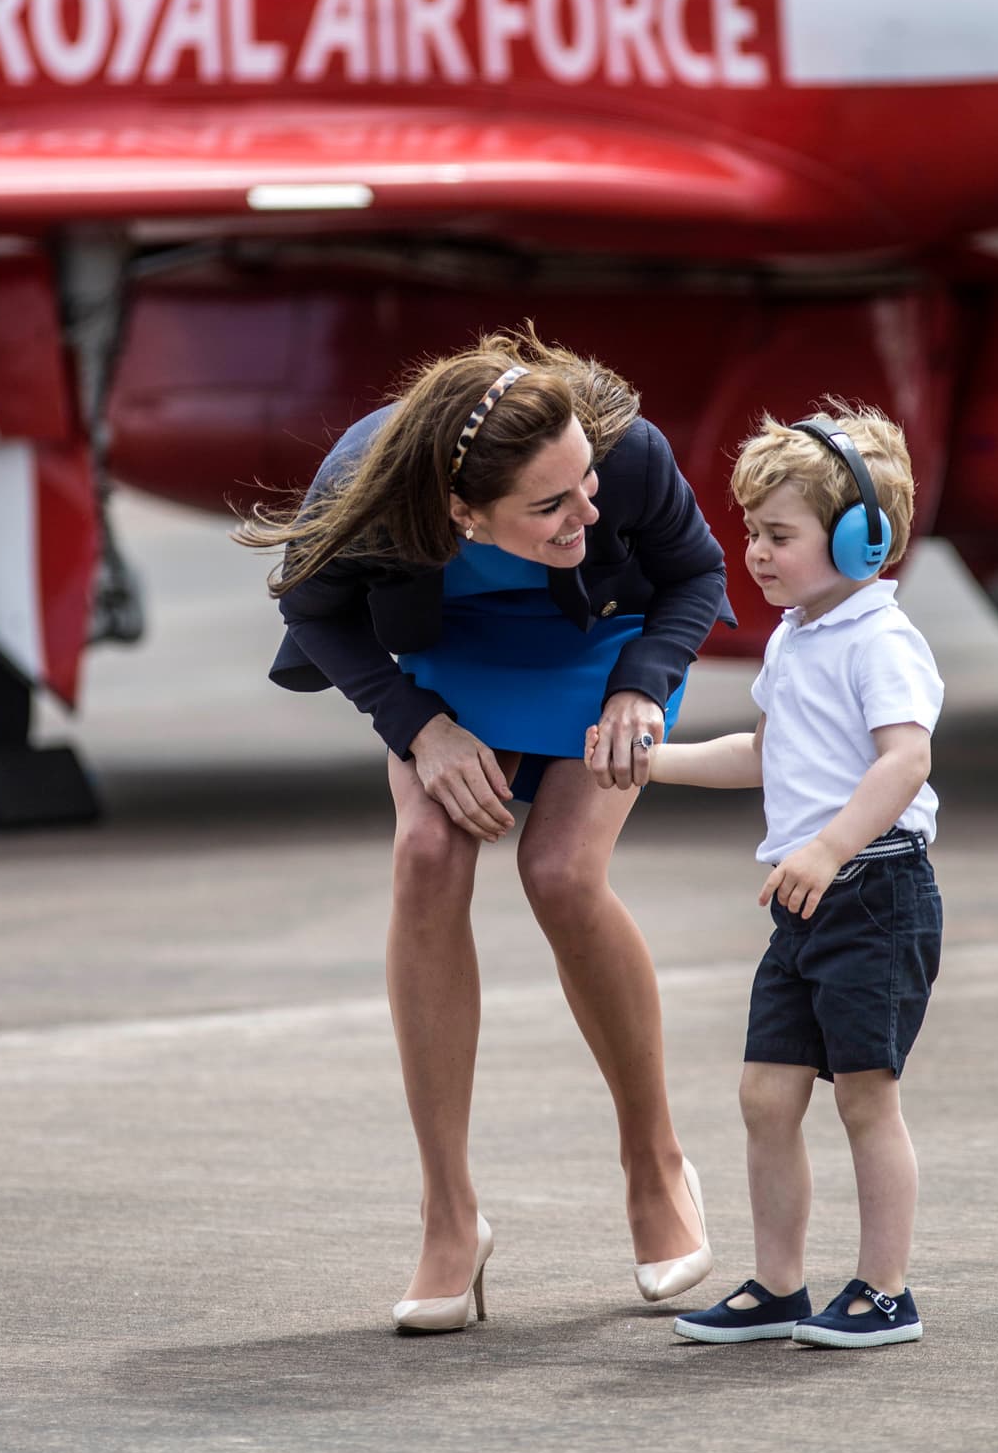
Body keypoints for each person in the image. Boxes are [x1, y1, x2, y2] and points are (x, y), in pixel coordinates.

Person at [237, 326, 734, 1333]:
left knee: (558, 871)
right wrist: (417, 728)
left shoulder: (620, 451)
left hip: (601, 654)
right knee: (424, 855)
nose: (585, 511)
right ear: (459, 511)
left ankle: (654, 1162)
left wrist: (644, 689)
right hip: (449, 664)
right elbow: (312, 607)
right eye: (549, 506)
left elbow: (695, 574)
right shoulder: (372, 484)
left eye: (584, 484)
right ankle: (447, 1212)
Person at [589, 402, 942, 1349]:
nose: (756, 552)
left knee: (867, 1095)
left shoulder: (879, 640)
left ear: (863, 537)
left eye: (779, 534)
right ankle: (781, 1285)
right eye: (752, 532)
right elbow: (768, 752)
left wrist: (827, 848)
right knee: (765, 1094)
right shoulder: (796, 639)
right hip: (804, 900)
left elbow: (904, 760)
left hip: (874, 890)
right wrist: (651, 761)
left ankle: (884, 1289)